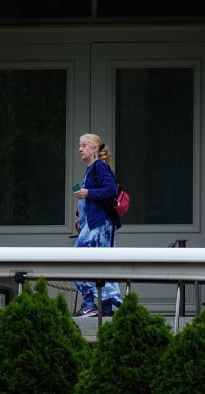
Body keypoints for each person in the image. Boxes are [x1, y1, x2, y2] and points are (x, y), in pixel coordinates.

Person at [72, 132, 123, 317]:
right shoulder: (92, 169)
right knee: (99, 265)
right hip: (94, 224)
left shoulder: (100, 167)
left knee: (78, 261)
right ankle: (105, 310)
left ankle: (90, 304)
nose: (80, 149)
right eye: (80, 145)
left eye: (84, 145)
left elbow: (110, 191)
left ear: (94, 148)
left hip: (100, 226)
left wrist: (87, 193)